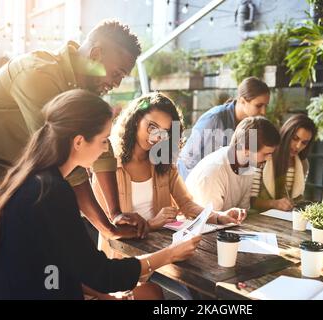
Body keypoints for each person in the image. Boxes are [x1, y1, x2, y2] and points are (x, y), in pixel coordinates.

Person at [0, 90, 201, 300]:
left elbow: (65, 264)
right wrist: (169, 254)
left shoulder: (28, 179)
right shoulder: (52, 192)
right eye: (104, 140)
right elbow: (102, 274)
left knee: (150, 292)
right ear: (79, 142)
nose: (106, 149)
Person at [0, 19, 146, 240]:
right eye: (117, 74)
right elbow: (62, 155)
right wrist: (107, 229)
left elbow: (101, 145)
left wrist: (115, 213)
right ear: (95, 55)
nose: (116, 84)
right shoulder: (37, 74)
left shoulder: (85, 87)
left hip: (11, 182)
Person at [92, 92, 246, 299]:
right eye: (152, 126)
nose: (157, 136)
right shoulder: (109, 166)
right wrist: (153, 223)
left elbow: (187, 204)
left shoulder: (163, 164)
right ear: (136, 118)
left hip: (164, 253)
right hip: (124, 260)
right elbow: (109, 227)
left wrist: (219, 216)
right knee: (185, 294)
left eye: (165, 132)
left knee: (211, 284)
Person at [177, 76, 270, 180]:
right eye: (259, 106)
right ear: (242, 101)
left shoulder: (253, 126)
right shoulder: (214, 119)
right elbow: (188, 160)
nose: (263, 112)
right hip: (197, 184)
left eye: (266, 106)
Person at [186, 116, 281, 211]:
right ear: (246, 149)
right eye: (266, 154)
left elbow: (243, 210)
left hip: (224, 223)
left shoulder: (248, 166)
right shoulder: (214, 170)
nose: (269, 159)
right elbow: (210, 219)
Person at [252, 114, 317, 211]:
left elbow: (297, 199)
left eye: (304, 143)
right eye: (295, 138)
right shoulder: (265, 156)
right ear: (287, 133)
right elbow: (251, 201)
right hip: (259, 217)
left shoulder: (303, 164)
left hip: (285, 218)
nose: (298, 146)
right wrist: (274, 204)